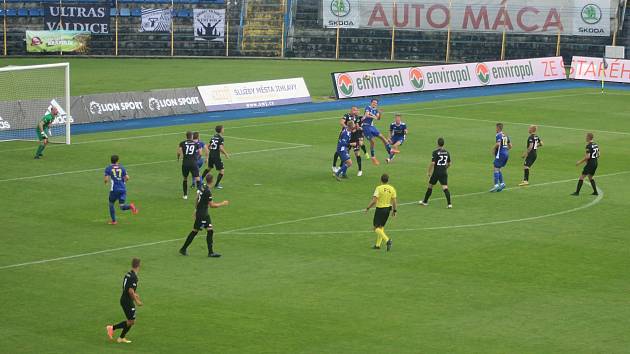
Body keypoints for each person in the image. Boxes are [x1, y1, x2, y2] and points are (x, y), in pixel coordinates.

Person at [179, 173, 229, 257]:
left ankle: (210, 252)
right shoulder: (208, 192)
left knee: (209, 230)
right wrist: (223, 203)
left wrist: (195, 209)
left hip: (202, 213)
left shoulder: (202, 186)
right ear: (212, 181)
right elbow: (212, 205)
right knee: (195, 231)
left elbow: (197, 197)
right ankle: (184, 249)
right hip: (202, 214)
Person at [106, 258, 143, 344]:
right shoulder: (134, 277)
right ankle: (111, 328)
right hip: (127, 301)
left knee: (131, 320)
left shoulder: (128, 274)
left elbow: (127, 288)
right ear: (139, 266)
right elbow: (130, 291)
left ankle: (121, 338)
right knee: (131, 321)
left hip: (125, 299)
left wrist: (135, 293)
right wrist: (137, 301)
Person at [365, 173, 397, 251]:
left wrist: (368, 207)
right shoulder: (392, 188)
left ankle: (387, 240)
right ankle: (377, 245)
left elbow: (374, 200)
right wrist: (394, 210)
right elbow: (394, 201)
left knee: (375, 228)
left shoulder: (379, 188)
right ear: (388, 180)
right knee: (381, 227)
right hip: (388, 209)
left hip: (380, 209)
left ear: (381, 180)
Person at [104, 155, 138, 225]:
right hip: (123, 189)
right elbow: (127, 178)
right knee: (122, 206)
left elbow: (106, 179)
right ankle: (131, 206)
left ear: (111, 160)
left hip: (114, 190)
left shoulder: (108, 168)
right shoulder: (122, 168)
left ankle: (114, 221)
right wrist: (123, 182)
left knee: (111, 204)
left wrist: (105, 182)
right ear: (117, 160)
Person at [419, 138, 452, 208]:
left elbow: (433, 163)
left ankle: (425, 202)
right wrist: (444, 168)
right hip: (444, 172)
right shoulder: (447, 152)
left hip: (436, 172)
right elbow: (449, 163)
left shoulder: (435, 152)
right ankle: (449, 204)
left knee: (430, 186)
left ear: (437, 143)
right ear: (443, 144)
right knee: (445, 188)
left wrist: (428, 172)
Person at [332, 107, 366, 174]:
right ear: (351, 110)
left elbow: (357, 126)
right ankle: (334, 166)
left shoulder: (357, 118)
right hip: (346, 136)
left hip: (354, 137)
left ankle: (359, 170)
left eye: (357, 110)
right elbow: (341, 122)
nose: (356, 111)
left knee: (356, 153)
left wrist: (359, 132)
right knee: (341, 150)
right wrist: (348, 129)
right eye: (355, 110)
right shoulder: (346, 115)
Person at [361, 99, 392, 166]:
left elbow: (378, 118)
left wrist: (380, 114)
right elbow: (366, 115)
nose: (375, 104)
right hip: (365, 126)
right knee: (372, 141)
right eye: (374, 102)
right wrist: (374, 116)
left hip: (371, 126)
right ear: (371, 103)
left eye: (376, 103)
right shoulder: (368, 107)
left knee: (382, 137)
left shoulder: (376, 110)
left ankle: (390, 152)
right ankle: (373, 156)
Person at [202, 125, 229, 190]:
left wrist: (211, 150)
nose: (223, 130)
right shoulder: (221, 138)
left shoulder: (213, 137)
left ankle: (200, 180)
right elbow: (221, 148)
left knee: (209, 168)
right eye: (223, 129)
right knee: (222, 171)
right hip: (216, 156)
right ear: (221, 130)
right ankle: (216, 185)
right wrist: (226, 154)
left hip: (211, 155)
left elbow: (208, 146)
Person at [177, 131, 202, 200]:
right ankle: (199, 193)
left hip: (185, 163)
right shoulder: (196, 143)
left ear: (186, 136)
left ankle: (185, 195)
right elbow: (200, 153)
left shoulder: (182, 143)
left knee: (185, 178)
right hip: (193, 163)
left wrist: (178, 158)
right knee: (197, 178)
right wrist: (196, 159)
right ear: (192, 136)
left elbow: (178, 152)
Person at [491, 123, 512, 192]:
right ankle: (502, 184)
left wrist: (493, 149)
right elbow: (510, 146)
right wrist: (505, 150)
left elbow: (498, 143)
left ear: (498, 128)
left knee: (495, 168)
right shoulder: (505, 135)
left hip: (500, 154)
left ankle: (496, 185)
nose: (495, 129)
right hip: (506, 154)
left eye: (496, 128)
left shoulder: (498, 135)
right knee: (498, 168)